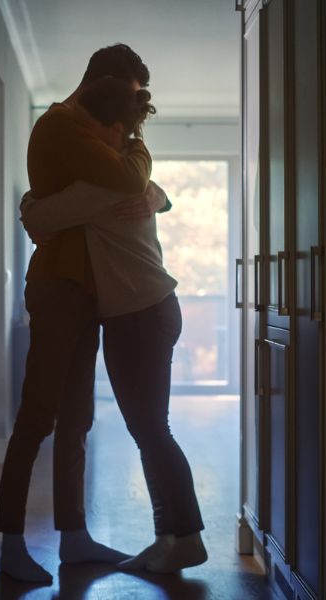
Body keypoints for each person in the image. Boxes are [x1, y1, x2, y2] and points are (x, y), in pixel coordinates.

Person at [0, 44, 170, 584]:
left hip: (88, 290)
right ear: (106, 86)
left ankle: (74, 537)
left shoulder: (95, 130)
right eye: (129, 103)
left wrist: (156, 194)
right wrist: (143, 175)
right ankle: (11, 544)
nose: (129, 122)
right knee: (38, 415)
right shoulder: (63, 127)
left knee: (77, 419)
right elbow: (123, 182)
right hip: (59, 289)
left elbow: (130, 187)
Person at [20, 76, 207, 573]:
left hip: (142, 314)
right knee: (149, 428)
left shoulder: (104, 184)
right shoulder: (128, 176)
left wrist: (29, 203)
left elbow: (38, 217)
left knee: (151, 428)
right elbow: (147, 188)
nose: (88, 145)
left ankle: (184, 536)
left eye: (94, 133)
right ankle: (171, 537)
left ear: (114, 130)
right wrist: (157, 194)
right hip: (143, 312)